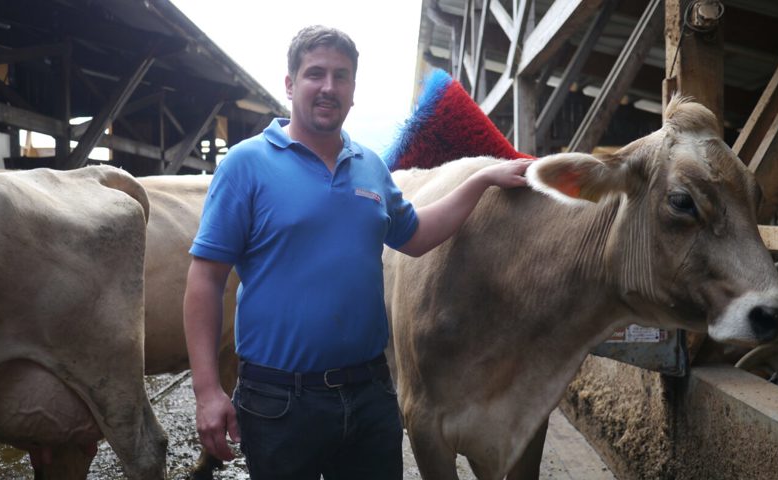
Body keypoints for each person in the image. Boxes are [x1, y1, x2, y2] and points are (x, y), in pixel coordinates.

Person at [183, 24, 534, 480]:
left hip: (368, 394)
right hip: (279, 400)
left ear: (353, 90)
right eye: (315, 74)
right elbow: (205, 279)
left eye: (341, 76)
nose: (328, 87)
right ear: (290, 85)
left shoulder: (369, 165)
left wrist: (481, 180)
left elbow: (416, 234)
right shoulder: (246, 165)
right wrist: (207, 391)